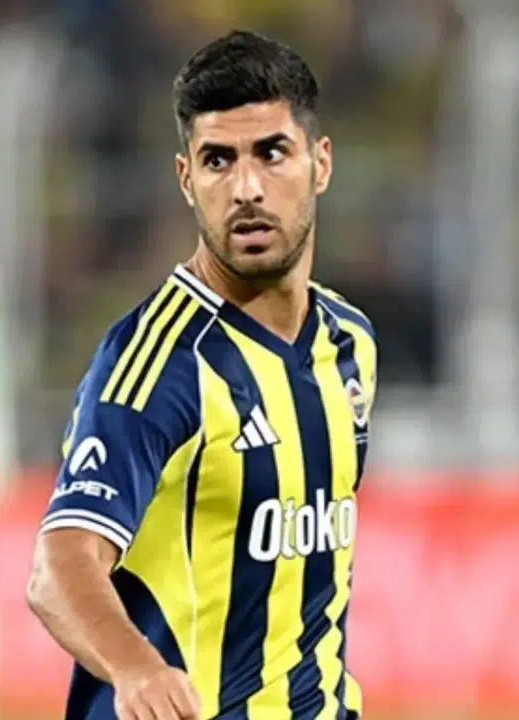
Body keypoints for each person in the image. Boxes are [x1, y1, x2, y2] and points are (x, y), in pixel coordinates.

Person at [26, 30, 378, 720]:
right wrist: (136, 669)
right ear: (187, 179)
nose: (246, 188)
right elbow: (60, 564)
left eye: (272, 153)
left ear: (321, 163)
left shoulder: (349, 341)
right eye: (219, 160)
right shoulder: (159, 363)